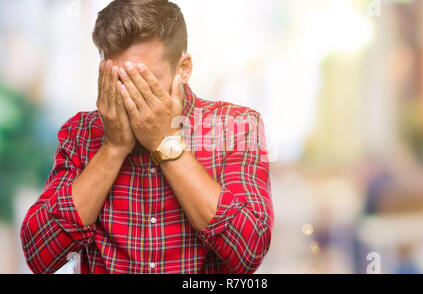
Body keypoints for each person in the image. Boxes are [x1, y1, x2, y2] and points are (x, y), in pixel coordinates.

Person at [20, 0, 273, 274]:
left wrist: (166, 142)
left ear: (183, 68)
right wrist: (112, 149)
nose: (130, 95)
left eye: (144, 80)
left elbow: (249, 250)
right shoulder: (81, 132)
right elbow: (40, 256)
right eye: (119, 79)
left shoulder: (235, 126)